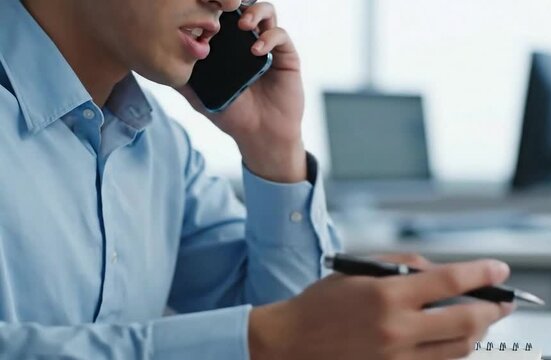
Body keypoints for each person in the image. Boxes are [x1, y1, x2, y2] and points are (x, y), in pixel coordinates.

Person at [0, 0, 514, 358]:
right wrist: (261, 344)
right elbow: (276, 338)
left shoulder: (160, 149)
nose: (226, 3)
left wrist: (274, 146)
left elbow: (303, 332)